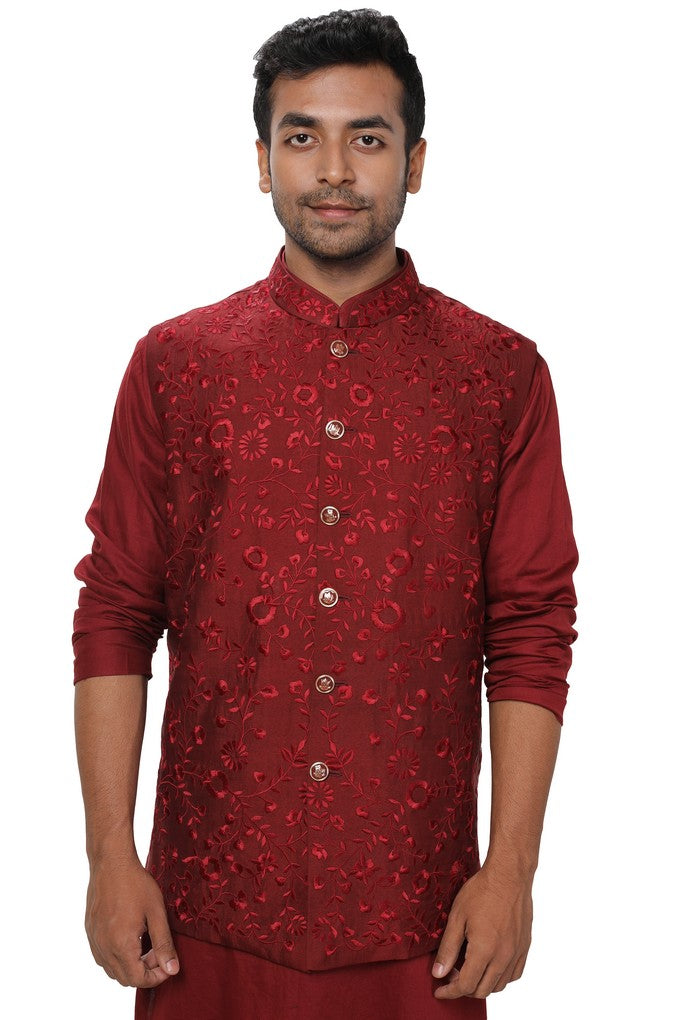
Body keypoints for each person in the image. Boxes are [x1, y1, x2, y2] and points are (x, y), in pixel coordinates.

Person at [72, 8, 579, 1019]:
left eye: (368, 138)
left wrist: (510, 873)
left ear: (415, 162)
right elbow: (117, 612)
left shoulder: (498, 375)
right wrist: (109, 860)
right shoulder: (177, 365)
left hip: (424, 923)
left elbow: (530, 628)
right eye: (302, 136)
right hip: (204, 915)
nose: (334, 171)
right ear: (262, 161)